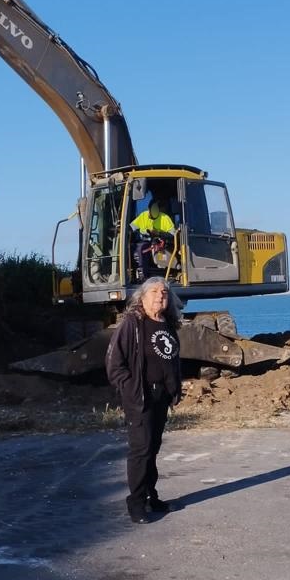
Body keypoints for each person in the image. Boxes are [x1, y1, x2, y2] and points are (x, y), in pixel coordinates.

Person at [105, 277, 183, 523]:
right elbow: (114, 363)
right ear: (143, 296)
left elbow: (171, 360)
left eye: (165, 293)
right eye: (155, 292)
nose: (161, 296)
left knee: (153, 448)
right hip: (140, 395)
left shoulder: (166, 323)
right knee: (141, 449)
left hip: (161, 396)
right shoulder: (133, 323)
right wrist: (129, 388)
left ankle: (151, 497)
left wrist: (174, 388)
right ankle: (136, 504)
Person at [129, 199, 176, 280]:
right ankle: (133, 273)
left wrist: (159, 233)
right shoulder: (143, 216)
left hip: (160, 242)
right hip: (146, 241)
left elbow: (173, 234)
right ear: (149, 209)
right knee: (132, 247)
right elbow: (131, 228)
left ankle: (144, 275)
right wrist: (122, 228)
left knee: (142, 248)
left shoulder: (165, 218)